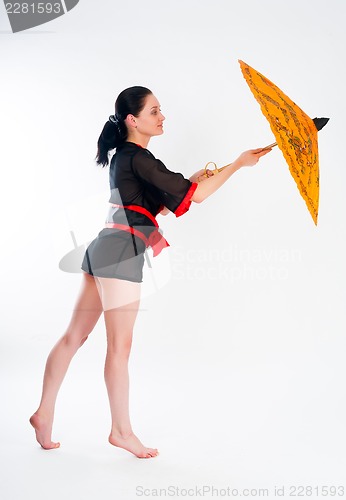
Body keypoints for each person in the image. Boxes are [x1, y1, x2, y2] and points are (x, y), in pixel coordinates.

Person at [30, 86, 271, 459]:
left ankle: (44, 414)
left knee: (74, 337)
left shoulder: (126, 157)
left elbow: (166, 200)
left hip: (102, 249)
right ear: (133, 119)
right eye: (155, 111)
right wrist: (239, 165)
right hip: (120, 254)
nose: (162, 117)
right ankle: (121, 432)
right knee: (119, 348)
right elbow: (195, 197)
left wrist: (215, 170)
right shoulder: (138, 157)